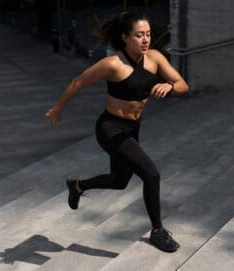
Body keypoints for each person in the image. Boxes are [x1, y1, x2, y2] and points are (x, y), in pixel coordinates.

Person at [44, 11, 188, 253]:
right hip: (110, 128)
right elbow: (78, 82)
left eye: (148, 34)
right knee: (151, 175)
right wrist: (57, 109)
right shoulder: (113, 64)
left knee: (119, 181)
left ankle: (77, 186)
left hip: (132, 128)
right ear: (125, 38)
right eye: (139, 35)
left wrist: (170, 85)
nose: (145, 40)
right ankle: (158, 231)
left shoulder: (155, 58)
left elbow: (184, 85)